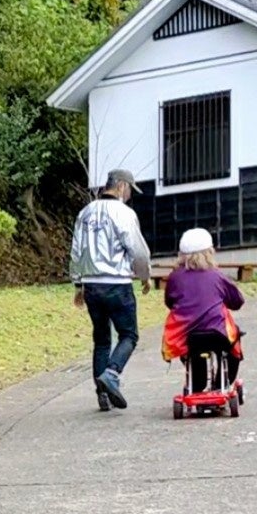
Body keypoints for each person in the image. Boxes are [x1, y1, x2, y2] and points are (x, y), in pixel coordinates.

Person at [70, 168, 153, 411]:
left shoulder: (84, 213)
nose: (128, 195)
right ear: (120, 186)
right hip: (117, 283)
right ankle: (112, 374)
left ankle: (102, 395)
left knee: (102, 338)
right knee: (129, 334)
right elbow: (137, 249)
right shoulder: (123, 213)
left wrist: (78, 284)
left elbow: (76, 251)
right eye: (129, 190)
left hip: (92, 285)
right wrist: (145, 275)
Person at [162, 227, 245, 391]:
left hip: (187, 333)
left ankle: (196, 383)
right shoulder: (217, 276)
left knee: (193, 351)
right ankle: (222, 383)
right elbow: (237, 301)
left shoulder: (174, 277)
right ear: (209, 252)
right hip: (217, 332)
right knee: (233, 342)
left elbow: (169, 302)